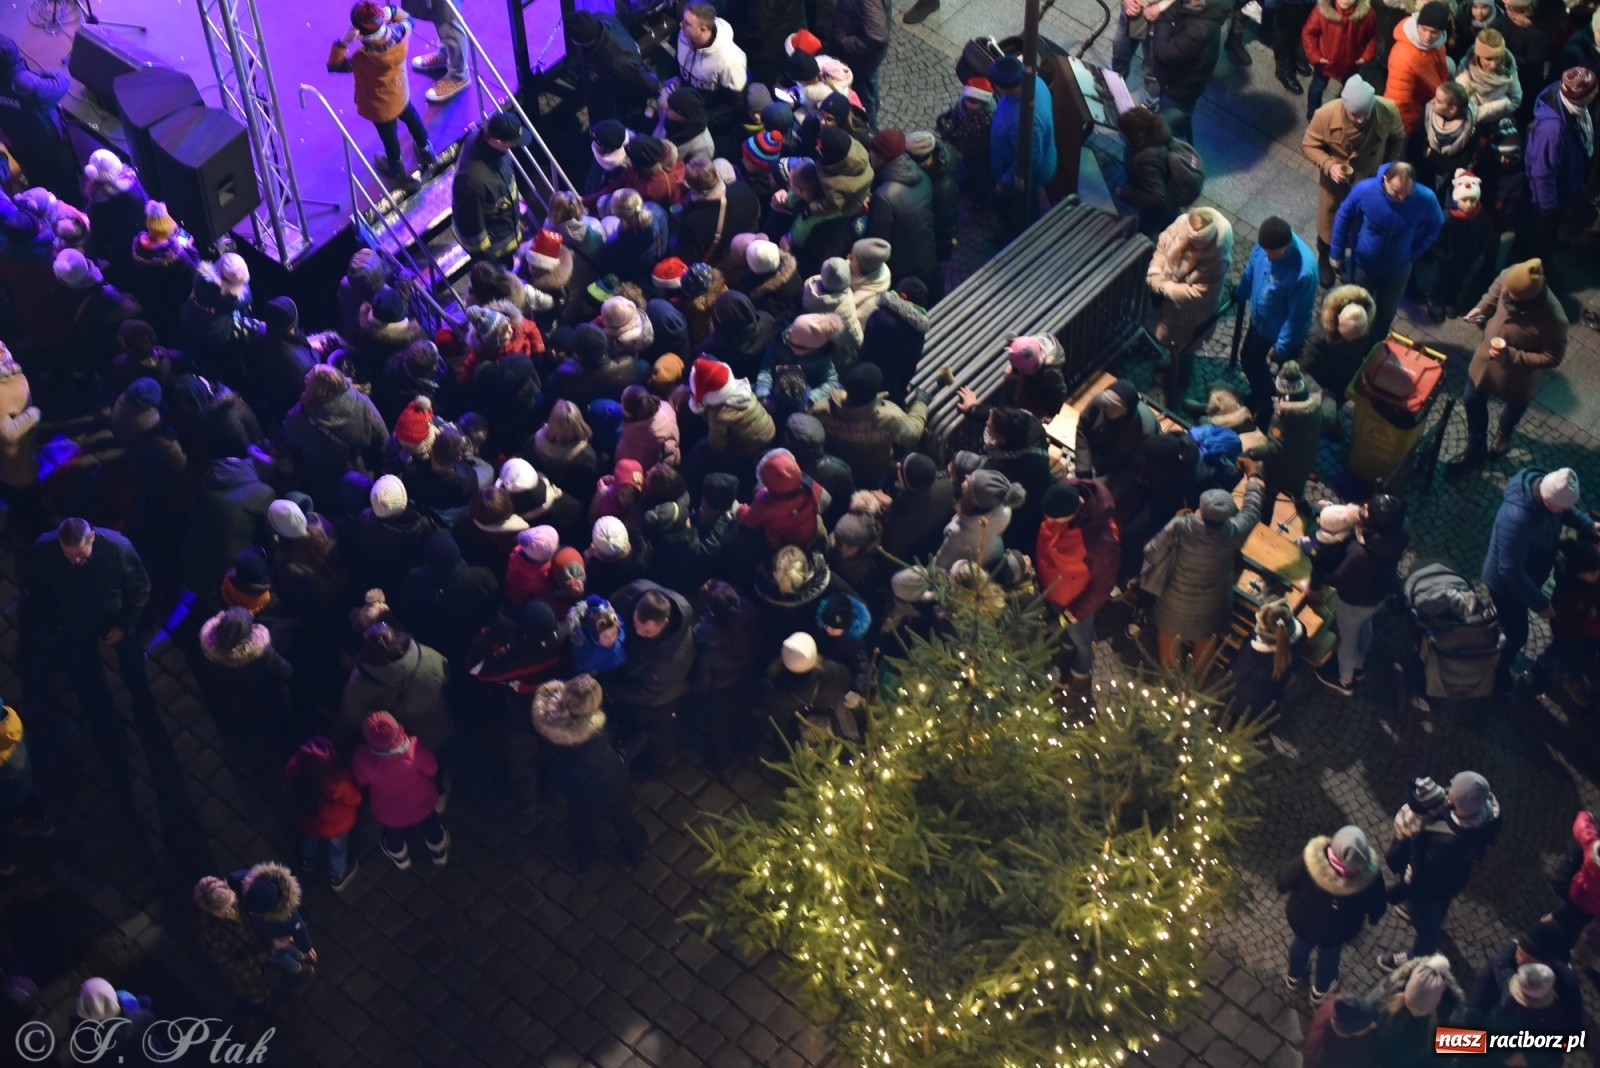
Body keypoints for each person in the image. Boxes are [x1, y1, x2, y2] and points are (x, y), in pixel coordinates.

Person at [20, 518, 155, 729]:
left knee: (133, 665)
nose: (75, 560)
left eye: (80, 555)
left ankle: (143, 701)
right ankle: (102, 722)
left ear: (91, 537)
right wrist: (55, 622)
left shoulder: (118, 548)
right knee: (85, 677)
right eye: (68, 555)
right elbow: (37, 589)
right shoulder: (44, 549)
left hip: (114, 616)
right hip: (72, 624)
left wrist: (123, 625)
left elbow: (140, 587)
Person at [1481, 467, 1599, 691]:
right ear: (1549, 502)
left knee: (1510, 624)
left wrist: (1587, 524)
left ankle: (1497, 626)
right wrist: (1541, 604)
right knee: (1517, 634)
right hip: (1506, 588)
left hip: (1527, 576)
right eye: (1561, 507)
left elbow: (1567, 512)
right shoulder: (1516, 520)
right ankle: (1496, 670)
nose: (1563, 511)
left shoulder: (1547, 493)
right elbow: (1510, 570)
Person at [1141, 476, 1267, 674]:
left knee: (1167, 642)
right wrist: (1254, 482)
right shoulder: (1233, 532)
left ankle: (1169, 681)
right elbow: (1252, 510)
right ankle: (1194, 684)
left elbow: (1151, 552)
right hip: (1212, 608)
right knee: (1205, 645)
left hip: (1173, 603)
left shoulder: (1181, 526)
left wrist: (1176, 519)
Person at [1379, 771, 1501, 968]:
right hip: (1452, 881)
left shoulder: (1444, 843)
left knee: (1427, 927)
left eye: (1455, 786)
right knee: (1440, 905)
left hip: (1427, 892)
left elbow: (1416, 873)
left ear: (1460, 807)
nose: (1450, 781)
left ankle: (1418, 957)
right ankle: (1428, 917)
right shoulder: (1487, 817)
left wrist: (1400, 889)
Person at [1454, 260, 1568, 464]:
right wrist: (1480, 309)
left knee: (1515, 406)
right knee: (1472, 399)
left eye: (1512, 295)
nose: (1506, 292)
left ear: (1528, 299)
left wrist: (1512, 356)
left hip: (1517, 375)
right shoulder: (1509, 277)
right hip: (1485, 362)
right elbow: (1493, 294)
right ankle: (1476, 446)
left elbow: (1553, 357)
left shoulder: (1554, 318)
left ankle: (1505, 430)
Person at [1301, 75, 1405, 286]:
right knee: (1329, 224)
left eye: (1365, 114)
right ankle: (1325, 257)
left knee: (1360, 226)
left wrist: (1386, 167)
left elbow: (1397, 138)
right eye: (1354, 115)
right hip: (1337, 186)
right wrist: (1330, 165)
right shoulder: (1325, 115)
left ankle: (1350, 257)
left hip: (1370, 183)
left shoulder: (1388, 110)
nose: (1360, 119)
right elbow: (1309, 145)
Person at [533, 675, 645, 869]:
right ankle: (634, 851)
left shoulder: (547, 718)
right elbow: (614, 763)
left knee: (578, 817)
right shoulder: (593, 739)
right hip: (604, 787)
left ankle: (584, 856)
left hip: (568, 783)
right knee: (620, 816)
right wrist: (639, 741)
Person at [1329, 162, 1442, 339]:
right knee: (1357, 306)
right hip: (1364, 264)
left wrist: (1414, 252)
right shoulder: (1365, 190)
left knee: (1387, 311)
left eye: (1406, 192)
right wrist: (1336, 252)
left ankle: (1377, 342)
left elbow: (1435, 225)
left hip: (1398, 269)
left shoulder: (1425, 198)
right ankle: (1354, 341)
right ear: (1385, 179)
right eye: (1396, 191)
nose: (1401, 197)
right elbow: (1344, 216)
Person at [327, 2, 436, 183]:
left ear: (359, 32)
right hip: (401, 93)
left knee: (389, 135)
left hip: (380, 107)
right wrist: (393, 11)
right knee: (412, 118)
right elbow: (409, 20)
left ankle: (395, 165)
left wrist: (343, 41)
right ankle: (426, 148)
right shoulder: (400, 33)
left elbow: (335, 65)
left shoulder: (361, 58)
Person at [1311, 493, 1407, 695]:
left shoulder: (1360, 553)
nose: (1361, 511)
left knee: (1347, 639)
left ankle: (1345, 681)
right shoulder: (1397, 536)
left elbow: (1337, 576)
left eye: (1365, 512)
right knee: (1364, 626)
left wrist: (1320, 571)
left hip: (1355, 601)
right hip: (1379, 594)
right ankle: (1359, 665)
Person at [1279, 824, 1387, 1002]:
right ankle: (1320, 991)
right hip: (1338, 930)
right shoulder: (1369, 879)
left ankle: (1294, 977)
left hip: (1303, 921)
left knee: (1300, 945)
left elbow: (1283, 879)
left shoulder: (1310, 862)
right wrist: (1374, 917)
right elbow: (1378, 904)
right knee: (1329, 955)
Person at [1231, 217, 1319, 427]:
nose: (1268, 257)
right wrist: (1241, 292)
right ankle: (1263, 397)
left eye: (1273, 253)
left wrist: (1282, 347)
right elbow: (1252, 270)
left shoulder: (1304, 272)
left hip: (1281, 331)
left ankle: (1273, 415)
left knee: (1285, 379)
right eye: (1266, 251)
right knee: (1249, 359)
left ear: (1286, 246)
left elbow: (1297, 317)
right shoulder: (1265, 246)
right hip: (1260, 323)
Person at [1035, 481, 1119, 683]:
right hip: (1056, 591)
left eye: (1054, 518)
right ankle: (1067, 640)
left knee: (1083, 639)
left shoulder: (1099, 542)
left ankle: (1083, 666)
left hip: (1075, 605)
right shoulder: (1065, 495)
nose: (1048, 520)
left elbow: (1102, 586)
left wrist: (1074, 613)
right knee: (1068, 631)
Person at [1148, 207, 1234, 404]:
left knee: (1186, 348)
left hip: (1192, 315)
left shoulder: (1217, 257)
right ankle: (1173, 364)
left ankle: (1179, 379)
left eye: (1200, 241)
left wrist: (1166, 287)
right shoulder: (1181, 225)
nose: (1196, 245)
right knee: (1173, 343)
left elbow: (1200, 293)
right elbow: (1162, 245)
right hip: (1171, 307)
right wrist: (1156, 272)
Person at [351, 711, 451, 869]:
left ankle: (400, 858)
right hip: (422, 801)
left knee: (393, 833)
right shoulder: (413, 749)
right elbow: (432, 768)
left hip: (389, 811)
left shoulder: (362, 757)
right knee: (431, 824)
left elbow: (361, 780)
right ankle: (439, 852)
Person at [0, 36, 78, 207]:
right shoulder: (24, 83)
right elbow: (62, 84)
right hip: (49, 143)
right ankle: (73, 208)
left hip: (19, 142)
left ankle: (42, 204)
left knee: (38, 179)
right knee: (66, 181)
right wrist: (44, 75)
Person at [1526, 68, 1597, 254]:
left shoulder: (1573, 107)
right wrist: (1548, 209)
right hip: (1548, 200)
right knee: (1541, 239)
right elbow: (1542, 172)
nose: (1597, 92)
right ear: (1583, 98)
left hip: (1566, 190)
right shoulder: (1553, 129)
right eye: (1593, 91)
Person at [283, 737, 362, 891]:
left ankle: (307, 861)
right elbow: (355, 799)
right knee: (337, 849)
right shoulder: (338, 780)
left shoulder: (294, 768)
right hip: (336, 825)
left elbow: (288, 785)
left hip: (308, 818)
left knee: (309, 838)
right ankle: (337, 876)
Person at [453, 108, 531, 265]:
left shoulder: (487, 143)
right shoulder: (473, 182)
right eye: (512, 143)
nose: (514, 146)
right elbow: (472, 230)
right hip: (496, 252)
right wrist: (489, 261)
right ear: (497, 142)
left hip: (507, 231)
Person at [866, 130, 937, 291]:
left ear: (882, 157)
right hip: (926, 258)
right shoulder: (922, 176)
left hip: (902, 270)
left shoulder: (884, 196)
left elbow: (877, 244)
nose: (869, 154)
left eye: (873, 151)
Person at [566, 10, 659, 131]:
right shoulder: (601, 18)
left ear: (576, 41)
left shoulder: (618, 61)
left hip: (620, 117)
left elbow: (649, 85)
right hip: (599, 106)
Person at [192, 876, 273, 1011]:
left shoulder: (243, 886)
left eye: (234, 903)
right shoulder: (210, 932)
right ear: (212, 912)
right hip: (253, 977)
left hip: (272, 954)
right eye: (226, 912)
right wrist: (271, 947)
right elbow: (235, 964)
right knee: (263, 1002)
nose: (234, 911)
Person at [1151, 0, 1227, 142]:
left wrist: (1163, 20)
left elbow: (1162, 52)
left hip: (1178, 90)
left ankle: (1174, 144)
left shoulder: (1198, 29)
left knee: (1167, 131)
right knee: (1178, 120)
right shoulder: (1204, 11)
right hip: (1184, 84)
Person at [228, 861, 317, 981]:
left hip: (268, 938)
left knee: (278, 954)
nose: (251, 913)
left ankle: (297, 967)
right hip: (267, 936)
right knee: (282, 950)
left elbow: (300, 928)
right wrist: (227, 880)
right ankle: (299, 962)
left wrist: (307, 946)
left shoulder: (288, 915)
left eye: (255, 912)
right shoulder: (254, 883)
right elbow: (240, 877)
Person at [1369, 954, 1463, 1066]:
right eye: (1409, 1002)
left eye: (1419, 1009)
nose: (1413, 1010)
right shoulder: (1388, 993)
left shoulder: (1383, 998)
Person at [672, 1, 749, 137]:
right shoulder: (684, 35)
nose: (681, 24)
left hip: (708, 124)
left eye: (687, 23)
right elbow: (677, 62)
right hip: (684, 108)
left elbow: (734, 104)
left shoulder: (730, 60)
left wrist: (702, 121)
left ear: (703, 29)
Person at [988, 57, 1058, 201]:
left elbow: (1029, 159)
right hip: (1039, 159)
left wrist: (1005, 183)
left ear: (1001, 88)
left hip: (1027, 176)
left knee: (1021, 201)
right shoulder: (1037, 83)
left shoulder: (1022, 121)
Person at [1300, 0, 1378, 119]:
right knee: (1317, 88)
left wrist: (1366, 56)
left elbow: (1371, 37)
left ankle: (1347, 113)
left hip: (1351, 63)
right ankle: (1312, 112)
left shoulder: (1367, 14)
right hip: (1326, 62)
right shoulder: (1322, 11)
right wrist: (1315, 56)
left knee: (1351, 90)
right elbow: (1309, 33)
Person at [1386, 2, 1452, 133]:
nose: (1427, 37)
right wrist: (1413, 128)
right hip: (1408, 119)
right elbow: (1399, 102)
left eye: (1434, 32)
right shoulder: (1403, 57)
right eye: (1424, 29)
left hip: (1427, 104)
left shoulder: (1438, 44)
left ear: (1442, 32)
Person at [1115, 106, 1181, 237]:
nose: (1121, 136)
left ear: (1137, 136)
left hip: (1159, 210)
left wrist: (1125, 194)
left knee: (1141, 232)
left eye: (1123, 135)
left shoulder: (1147, 159)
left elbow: (1158, 198)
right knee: (1167, 224)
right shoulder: (1157, 129)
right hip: (1171, 196)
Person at [829, 0, 889, 127]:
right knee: (870, 91)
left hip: (861, 60)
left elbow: (877, 37)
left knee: (864, 102)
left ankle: (871, 131)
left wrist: (844, 41)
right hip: (866, 58)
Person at [1456, 29, 1523, 128]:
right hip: (1469, 119)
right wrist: (1475, 116)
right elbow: (1460, 98)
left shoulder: (1508, 69)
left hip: (1498, 118)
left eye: (1497, 57)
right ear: (1478, 55)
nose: (1493, 64)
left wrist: (1488, 112)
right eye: (1488, 58)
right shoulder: (1466, 68)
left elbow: (1515, 100)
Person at [1301, 993, 1380, 1067]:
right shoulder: (1320, 1059)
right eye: (1366, 1026)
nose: (1374, 1025)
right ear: (1350, 1031)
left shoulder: (1336, 1003)